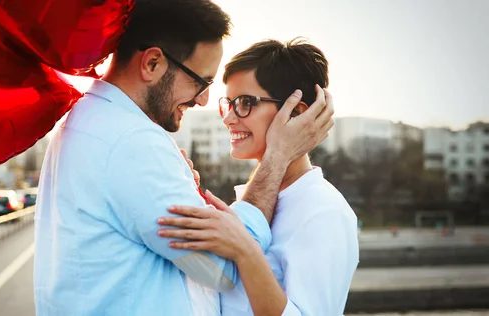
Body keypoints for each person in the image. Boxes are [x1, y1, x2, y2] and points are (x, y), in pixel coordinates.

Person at [33, 0, 335, 313]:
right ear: (152, 64)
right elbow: (220, 269)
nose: (203, 100)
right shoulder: (132, 142)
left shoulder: (88, 121)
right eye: (200, 81)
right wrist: (278, 157)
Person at [158, 38, 359, 315]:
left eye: (244, 103)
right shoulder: (256, 199)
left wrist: (245, 250)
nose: (229, 118)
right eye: (228, 104)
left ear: (297, 112)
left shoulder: (324, 211)